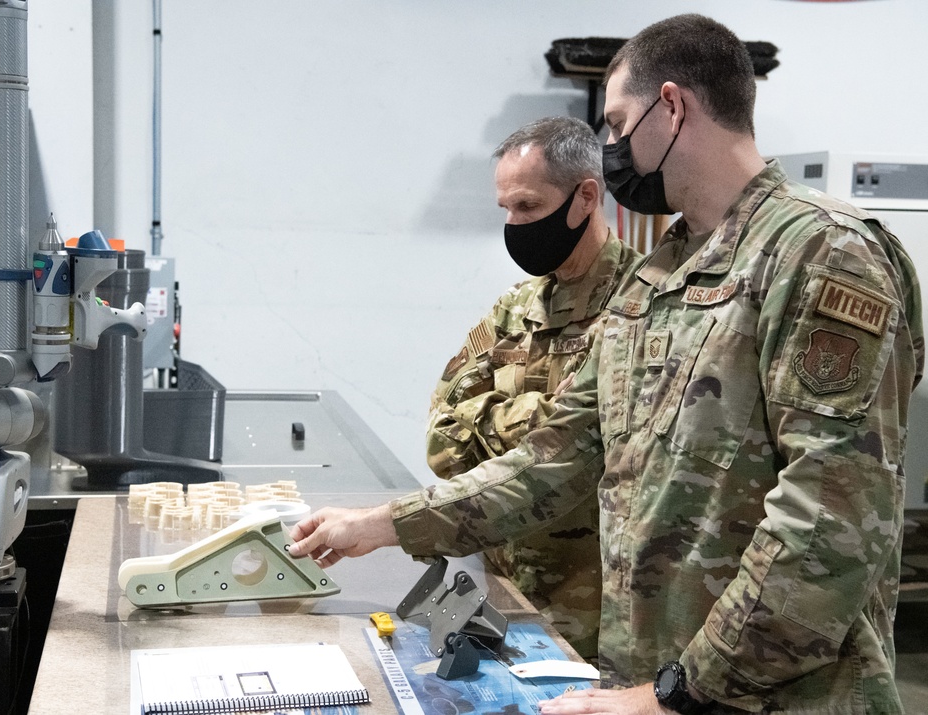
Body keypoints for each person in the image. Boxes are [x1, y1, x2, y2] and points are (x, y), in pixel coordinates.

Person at [290, 14, 923, 714]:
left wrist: (672, 694)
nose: (612, 148)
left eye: (619, 124)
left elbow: (827, 524)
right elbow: (553, 457)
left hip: (769, 697)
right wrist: (382, 524)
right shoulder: (656, 280)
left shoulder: (819, 254)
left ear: (673, 106)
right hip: (649, 680)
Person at [426, 116, 641, 660]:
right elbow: (442, 442)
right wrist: (534, 419)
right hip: (502, 588)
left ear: (585, 197)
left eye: (527, 207)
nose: (513, 223)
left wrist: (496, 420)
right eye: (505, 208)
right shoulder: (515, 308)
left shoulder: (642, 309)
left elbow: (591, 456)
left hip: (597, 615)